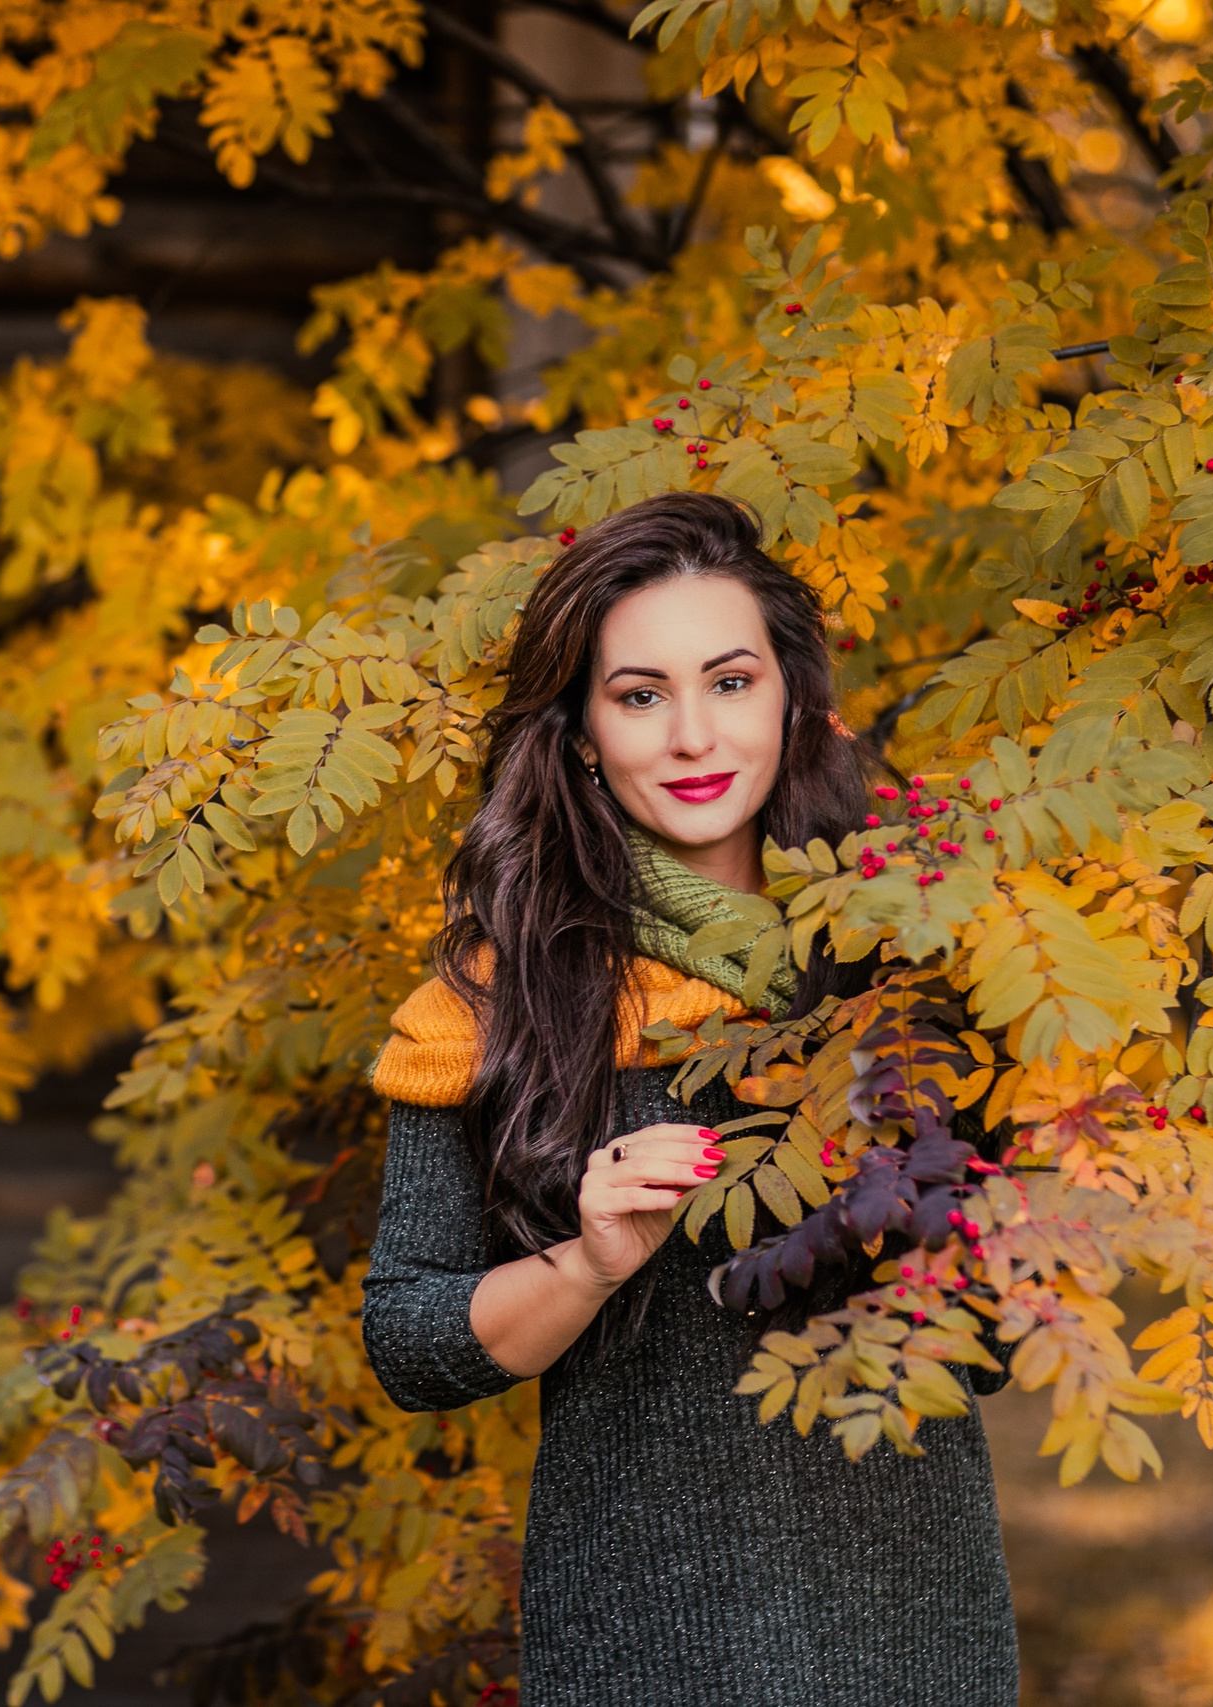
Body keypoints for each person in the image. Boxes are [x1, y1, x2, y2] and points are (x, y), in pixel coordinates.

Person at [361, 492, 1016, 1706]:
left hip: (910, 1614)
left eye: (728, 682)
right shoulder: (491, 1002)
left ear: (792, 703)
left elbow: (993, 1345)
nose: (692, 737)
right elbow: (409, 1345)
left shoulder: (916, 957)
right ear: (580, 735)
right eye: (640, 695)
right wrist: (585, 1263)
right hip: (640, 1634)